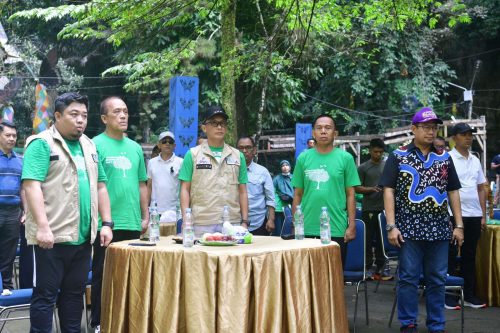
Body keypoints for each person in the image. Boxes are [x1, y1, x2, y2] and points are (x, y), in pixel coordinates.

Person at [22, 92, 113, 332]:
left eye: (84, 115)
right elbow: (31, 185)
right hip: (50, 239)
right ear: (58, 115)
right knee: (45, 296)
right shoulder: (41, 143)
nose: (80, 120)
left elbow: (101, 186)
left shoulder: (89, 145)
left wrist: (107, 223)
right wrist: (42, 227)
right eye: (74, 114)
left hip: (83, 238)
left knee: (74, 297)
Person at [380, 107, 464, 333]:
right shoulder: (398, 156)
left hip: (439, 229)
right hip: (408, 229)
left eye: (434, 128)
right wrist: (391, 225)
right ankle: (408, 323)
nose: (430, 132)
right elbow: (388, 190)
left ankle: (437, 324)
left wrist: (459, 225)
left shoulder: (444, 157)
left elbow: (453, 191)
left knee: (437, 279)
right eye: (425, 127)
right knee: (408, 279)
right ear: (413, 129)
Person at [91, 96, 149, 331]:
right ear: (105, 118)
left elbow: (142, 184)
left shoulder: (135, 148)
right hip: (105, 225)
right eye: (117, 112)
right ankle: (99, 322)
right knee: (103, 276)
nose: (123, 115)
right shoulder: (93, 144)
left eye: (125, 111)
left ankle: (128, 323)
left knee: (132, 278)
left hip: (133, 222)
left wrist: (145, 216)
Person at [292, 114, 360, 264]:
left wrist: (352, 225)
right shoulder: (303, 159)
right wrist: (295, 224)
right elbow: (297, 194)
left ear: (335, 133)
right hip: (307, 228)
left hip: (336, 228)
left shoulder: (346, 158)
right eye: (319, 128)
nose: (323, 131)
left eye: (328, 128)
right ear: (313, 133)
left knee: (334, 279)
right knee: (307, 279)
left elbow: (350, 194)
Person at [179, 106, 248, 237]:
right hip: (201, 222)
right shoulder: (193, 155)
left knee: (231, 258)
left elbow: (243, 190)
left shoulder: (238, 156)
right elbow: (184, 189)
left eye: (222, 123)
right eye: (214, 123)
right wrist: (186, 220)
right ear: (204, 128)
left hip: (231, 222)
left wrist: (244, 221)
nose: (219, 127)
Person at [446, 123, 487, 309]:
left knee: (470, 256)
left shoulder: (475, 159)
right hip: (453, 215)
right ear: (454, 137)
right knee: (450, 255)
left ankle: (468, 295)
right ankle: (449, 296)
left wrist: (483, 215)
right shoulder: (447, 158)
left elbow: (481, 188)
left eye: (470, 134)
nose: (468, 137)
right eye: (464, 134)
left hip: (474, 214)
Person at [355, 138, 392, 280]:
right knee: (368, 240)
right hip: (368, 209)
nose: (378, 154)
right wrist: (371, 189)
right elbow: (356, 188)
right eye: (375, 151)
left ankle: (383, 268)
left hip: (385, 210)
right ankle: (368, 267)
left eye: (381, 152)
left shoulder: (387, 166)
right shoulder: (363, 168)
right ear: (370, 150)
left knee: (383, 240)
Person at [0, 121, 25, 290]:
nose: (11, 139)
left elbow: (24, 188)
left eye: (14, 136)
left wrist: (25, 211)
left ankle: (7, 288)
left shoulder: (20, 161)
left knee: (8, 253)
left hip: (13, 212)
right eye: (7, 135)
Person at [237, 136, 275, 235]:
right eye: (240, 148)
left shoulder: (262, 172)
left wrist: (271, 220)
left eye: (248, 147)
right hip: (235, 224)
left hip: (258, 223)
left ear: (254, 150)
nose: (244, 151)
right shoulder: (230, 171)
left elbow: (270, 198)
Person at [147, 131, 183, 213]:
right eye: (164, 142)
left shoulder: (181, 162)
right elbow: (149, 187)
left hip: (175, 210)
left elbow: (185, 187)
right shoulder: (151, 162)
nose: (167, 144)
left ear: (174, 146)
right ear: (159, 145)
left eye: (170, 142)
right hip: (155, 210)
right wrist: (146, 208)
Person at [273, 160, 294, 236]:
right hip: (279, 207)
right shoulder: (277, 179)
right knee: (279, 227)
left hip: (292, 205)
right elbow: (273, 191)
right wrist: (279, 197)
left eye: (286, 165)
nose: (285, 167)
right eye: (283, 166)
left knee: (290, 224)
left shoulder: (294, 177)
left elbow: (297, 190)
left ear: (290, 167)